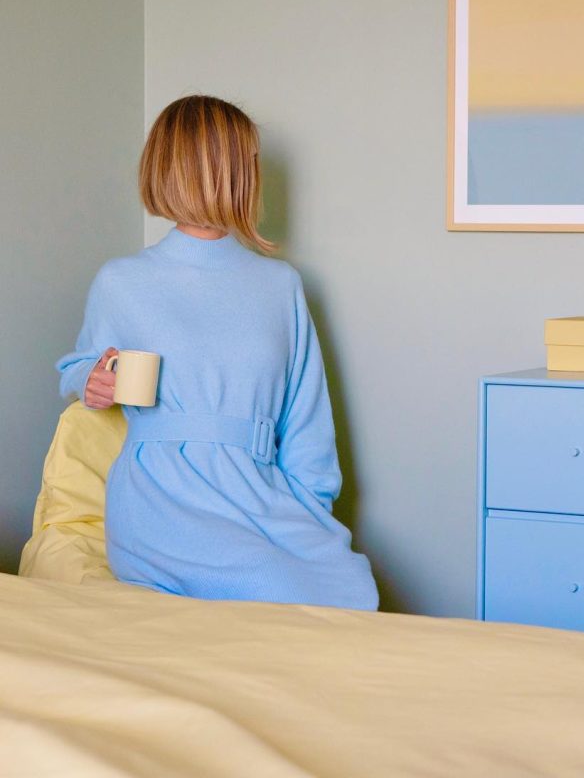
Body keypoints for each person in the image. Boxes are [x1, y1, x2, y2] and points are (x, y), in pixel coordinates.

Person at [56, 95, 378, 609]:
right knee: (275, 585)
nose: (256, 173)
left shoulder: (280, 286)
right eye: (248, 160)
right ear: (216, 168)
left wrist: (309, 516)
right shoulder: (123, 281)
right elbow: (79, 366)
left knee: (350, 584)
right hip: (162, 498)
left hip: (261, 494)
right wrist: (90, 381)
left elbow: (306, 418)